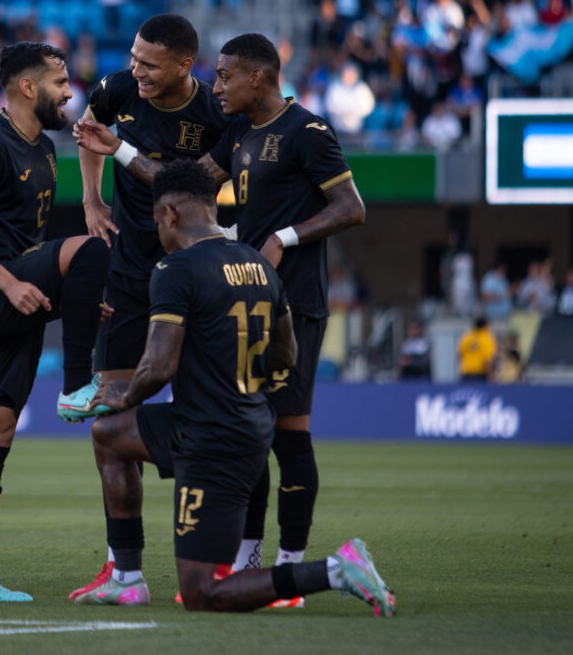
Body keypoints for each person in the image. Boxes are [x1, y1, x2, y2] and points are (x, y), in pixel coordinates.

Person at [75, 32, 367, 608]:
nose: (217, 86)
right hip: (252, 287)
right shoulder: (238, 133)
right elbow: (182, 186)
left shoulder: (307, 131)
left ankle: (291, 567)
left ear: (257, 76)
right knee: (258, 427)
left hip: (295, 297)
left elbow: (352, 208)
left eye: (226, 76)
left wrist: (282, 237)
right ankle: (248, 559)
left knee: (289, 433)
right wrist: (120, 153)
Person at [0, 41, 110, 602]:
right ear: (28, 88)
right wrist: (11, 284)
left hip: (18, 306)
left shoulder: (44, 149)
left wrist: (77, 301)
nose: (70, 92)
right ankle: (76, 386)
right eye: (61, 82)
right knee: (90, 251)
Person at [69, 13, 230, 600]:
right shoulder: (116, 90)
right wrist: (90, 198)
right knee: (111, 424)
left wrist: (125, 152)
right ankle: (123, 568)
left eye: (148, 63)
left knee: (202, 418)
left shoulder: (215, 113)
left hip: (192, 277)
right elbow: (89, 132)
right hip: (128, 271)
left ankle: (221, 556)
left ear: (185, 66)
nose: (133, 69)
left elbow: (195, 194)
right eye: (133, 57)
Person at [457, 315, 496, 382]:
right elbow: (487, 360)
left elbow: (459, 354)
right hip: (480, 373)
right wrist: (490, 375)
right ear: (485, 326)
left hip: (466, 372)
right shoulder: (486, 338)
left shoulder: (467, 337)